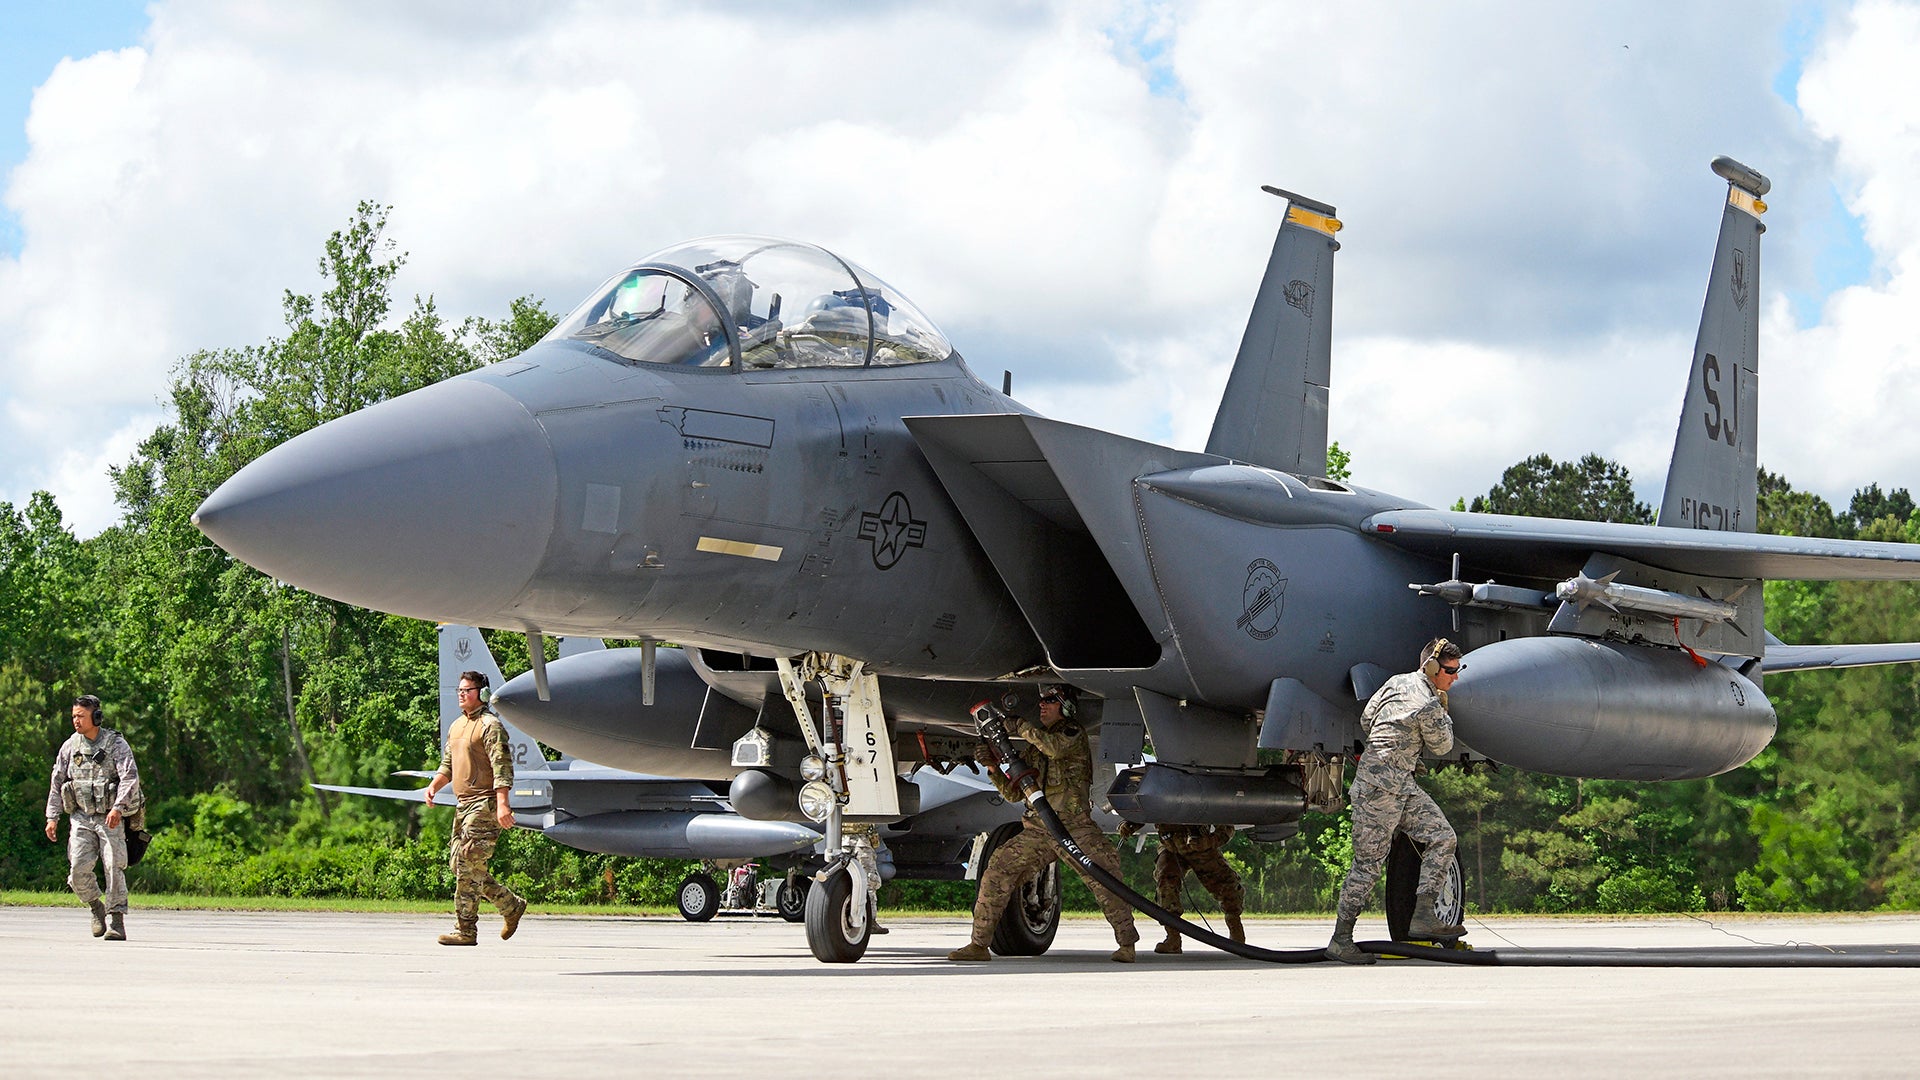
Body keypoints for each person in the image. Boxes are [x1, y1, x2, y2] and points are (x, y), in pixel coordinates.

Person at [949, 686, 1140, 963]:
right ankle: (978, 944)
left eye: (1050, 701)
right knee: (997, 872)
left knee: (1105, 880)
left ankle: (1126, 944)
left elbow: (1054, 748)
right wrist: (992, 767)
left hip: (1074, 828)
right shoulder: (1035, 748)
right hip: (1038, 829)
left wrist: (1019, 726)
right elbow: (1014, 793)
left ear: (1066, 707)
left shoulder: (1071, 733)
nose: (1042, 705)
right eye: (1042, 701)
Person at [1326, 638, 1468, 965]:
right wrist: (1443, 712)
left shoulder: (1395, 683)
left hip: (1400, 785)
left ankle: (1423, 915)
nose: (1455, 677)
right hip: (1379, 791)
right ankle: (1340, 939)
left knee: (1442, 837)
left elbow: (1367, 719)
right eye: (1450, 671)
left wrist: (1400, 752)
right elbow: (1443, 746)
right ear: (1431, 668)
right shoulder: (1429, 703)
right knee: (1367, 866)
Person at [421, 671, 528, 946]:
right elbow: (448, 764)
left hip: (484, 804)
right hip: (463, 805)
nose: (461, 694)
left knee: (467, 864)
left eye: (467, 690)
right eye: (460, 689)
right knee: (461, 865)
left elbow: (502, 767)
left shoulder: (490, 726)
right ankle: (510, 905)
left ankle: (465, 930)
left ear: (482, 693)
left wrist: (502, 804)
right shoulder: (457, 726)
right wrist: (434, 785)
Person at [45, 694, 144, 941]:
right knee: (77, 870)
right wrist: (52, 817)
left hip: (110, 817)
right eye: (73, 716)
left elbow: (130, 777)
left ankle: (117, 920)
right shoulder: (70, 746)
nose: (76, 721)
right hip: (81, 817)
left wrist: (118, 808)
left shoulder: (115, 744)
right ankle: (95, 906)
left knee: (114, 866)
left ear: (96, 717)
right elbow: (57, 781)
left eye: (81, 716)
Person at [1135, 822, 1244, 954]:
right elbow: (1142, 813)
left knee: (1226, 885)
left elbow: (1226, 826)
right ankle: (1173, 938)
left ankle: (1236, 932)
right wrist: (1130, 824)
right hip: (1171, 847)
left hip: (1200, 845)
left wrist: (1208, 841)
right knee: (1166, 884)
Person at [843, 822, 889, 935]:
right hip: (860, 841)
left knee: (845, 882)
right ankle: (870, 921)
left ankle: (864, 920)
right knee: (869, 882)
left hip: (844, 841)